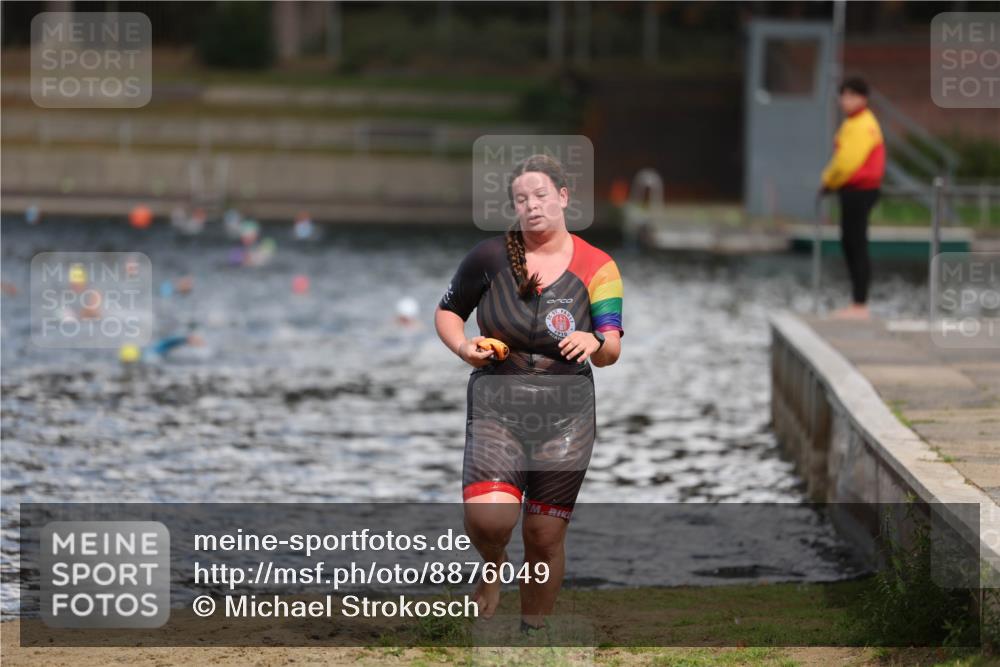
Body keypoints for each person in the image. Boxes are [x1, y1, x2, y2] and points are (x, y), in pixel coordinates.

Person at [434, 154, 623, 633]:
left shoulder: (598, 266)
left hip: (568, 416)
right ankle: (493, 565)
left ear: (563, 197)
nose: (532, 205)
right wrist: (463, 346)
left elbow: (612, 348)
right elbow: (448, 311)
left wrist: (595, 341)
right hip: (498, 406)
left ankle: (532, 635)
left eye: (541, 195)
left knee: (543, 536)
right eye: (522, 199)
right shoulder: (488, 257)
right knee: (492, 520)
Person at [819, 76, 885, 320]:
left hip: (860, 190)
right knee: (850, 242)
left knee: (856, 243)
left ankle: (860, 305)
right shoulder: (853, 123)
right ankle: (857, 303)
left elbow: (846, 163)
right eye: (843, 95)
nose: (845, 100)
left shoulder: (862, 124)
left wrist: (827, 181)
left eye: (850, 95)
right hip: (853, 190)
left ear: (863, 99)